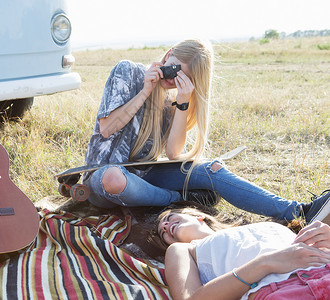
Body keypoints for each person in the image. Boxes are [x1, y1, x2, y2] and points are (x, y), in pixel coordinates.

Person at [83, 38, 330, 224]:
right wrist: (146, 91)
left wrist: (182, 100)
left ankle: (299, 211)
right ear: (168, 55)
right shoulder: (128, 71)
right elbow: (107, 128)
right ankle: (177, 199)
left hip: (145, 176)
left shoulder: (174, 100)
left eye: (184, 77)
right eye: (174, 68)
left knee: (212, 168)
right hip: (102, 175)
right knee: (113, 177)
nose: (174, 78)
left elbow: (172, 153)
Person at [157, 206, 330, 299]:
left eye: (169, 218)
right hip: (282, 291)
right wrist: (264, 263)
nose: (165, 226)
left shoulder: (257, 227)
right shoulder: (183, 249)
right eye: (162, 232)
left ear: (198, 216)